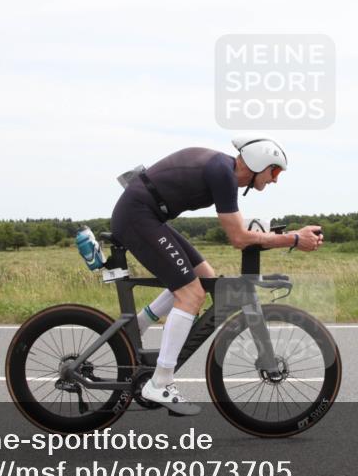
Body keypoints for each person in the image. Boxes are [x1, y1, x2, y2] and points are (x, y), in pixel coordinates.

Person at [110, 137, 324, 415]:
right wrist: (294, 239)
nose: (275, 180)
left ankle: (135, 328)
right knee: (192, 293)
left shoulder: (223, 171)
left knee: (206, 278)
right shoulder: (222, 172)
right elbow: (238, 237)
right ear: (258, 163)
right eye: (274, 172)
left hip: (146, 214)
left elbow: (239, 228)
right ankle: (161, 381)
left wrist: (277, 236)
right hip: (137, 216)